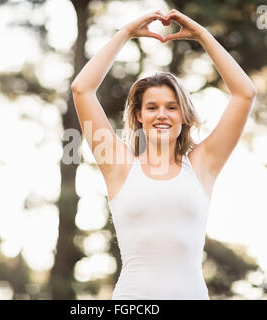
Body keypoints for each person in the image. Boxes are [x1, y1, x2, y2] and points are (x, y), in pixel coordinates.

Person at [70, 9, 256, 300]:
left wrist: (203, 36)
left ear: (183, 115)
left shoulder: (202, 165)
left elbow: (244, 93)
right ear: (139, 115)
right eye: (152, 107)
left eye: (171, 107)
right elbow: (81, 89)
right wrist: (125, 33)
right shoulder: (119, 167)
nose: (162, 115)